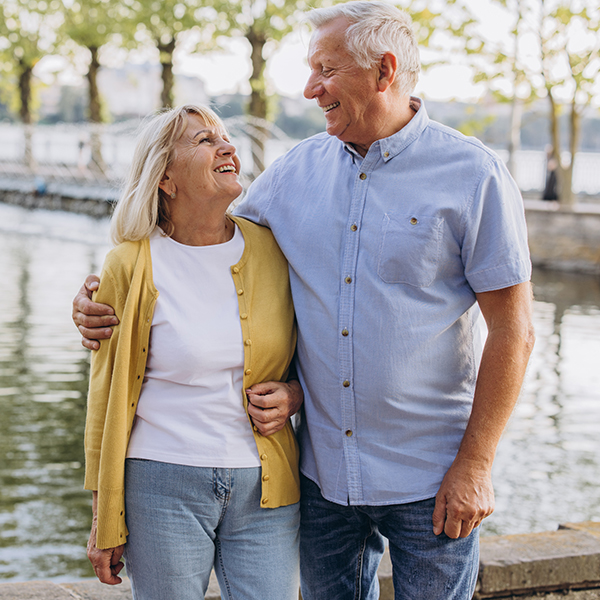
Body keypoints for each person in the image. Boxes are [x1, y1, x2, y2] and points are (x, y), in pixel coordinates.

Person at [73, 3, 536, 599]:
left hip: (432, 480)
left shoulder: (475, 175)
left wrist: (476, 465)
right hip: (322, 483)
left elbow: (515, 331)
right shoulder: (296, 172)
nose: (309, 88)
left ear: (384, 70)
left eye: (325, 70)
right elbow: (199, 245)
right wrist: (99, 295)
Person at [81, 104, 302, 600]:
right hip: (161, 484)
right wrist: (103, 515)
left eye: (225, 137)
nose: (227, 146)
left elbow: (321, 346)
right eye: (204, 140)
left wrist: (295, 394)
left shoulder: (273, 250)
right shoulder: (130, 264)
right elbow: (104, 399)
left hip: (264, 486)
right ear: (165, 177)